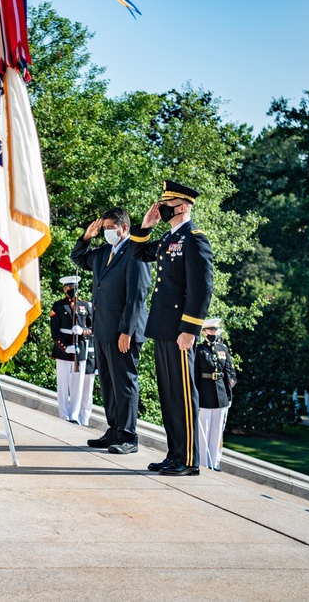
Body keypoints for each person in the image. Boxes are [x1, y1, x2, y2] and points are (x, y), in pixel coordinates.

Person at [131, 181, 213, 476]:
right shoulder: (169, 237)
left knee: (182, 395)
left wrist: (190, 329)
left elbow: (202, 288)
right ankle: (174, 454)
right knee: (168, 395)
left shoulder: (194, 239)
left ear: (184, 205)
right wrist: (145, 225)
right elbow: (139, 254)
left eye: (168, 203)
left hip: (180, 330)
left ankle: (189, 459)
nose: (162, 207)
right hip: (163, 327)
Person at [71, 208, 151, 454]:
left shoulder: (135, 252)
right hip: (103, 329)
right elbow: (78, 258)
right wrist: (87, 237)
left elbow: (138, 295)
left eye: (109, 228)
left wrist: (126, 331)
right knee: (108, 383)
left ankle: (128, 436)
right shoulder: (103, 251)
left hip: (124, 332)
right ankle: (115, 430)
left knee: (124, 383)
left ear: (123, 228)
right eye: (103, 228)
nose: (106, 232)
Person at [49, 276, 92, 424]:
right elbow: (54, 331)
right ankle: (64, 414)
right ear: (64, 289)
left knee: (77, 384)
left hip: (80, 349)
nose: (71, 290)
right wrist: (65, 347)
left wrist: (82, 331)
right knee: (63, 384)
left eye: (74, 287)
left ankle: (74, 415)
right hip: (64, 350)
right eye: (69, 287)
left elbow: (93, 328)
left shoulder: (84, 306)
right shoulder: (59, 306)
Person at [195, 318, 236, 471]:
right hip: (204, 395)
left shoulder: (223, 349)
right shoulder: (199, 350)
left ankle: (215, 463)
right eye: (209, 330)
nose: (212, 333)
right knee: (203, 431)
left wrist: (230, 385)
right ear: (204, 332)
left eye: (214, 330)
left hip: (220, 396)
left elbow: (230, 371)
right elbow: (194, 375)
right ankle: (205, 463)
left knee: (217, 432)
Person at [78, 331, 97, 427]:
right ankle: (76, 416)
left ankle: (85, 419)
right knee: (77, 392)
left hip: (90, 362)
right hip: (79, 360)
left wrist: (97, 366)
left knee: (88, 395)